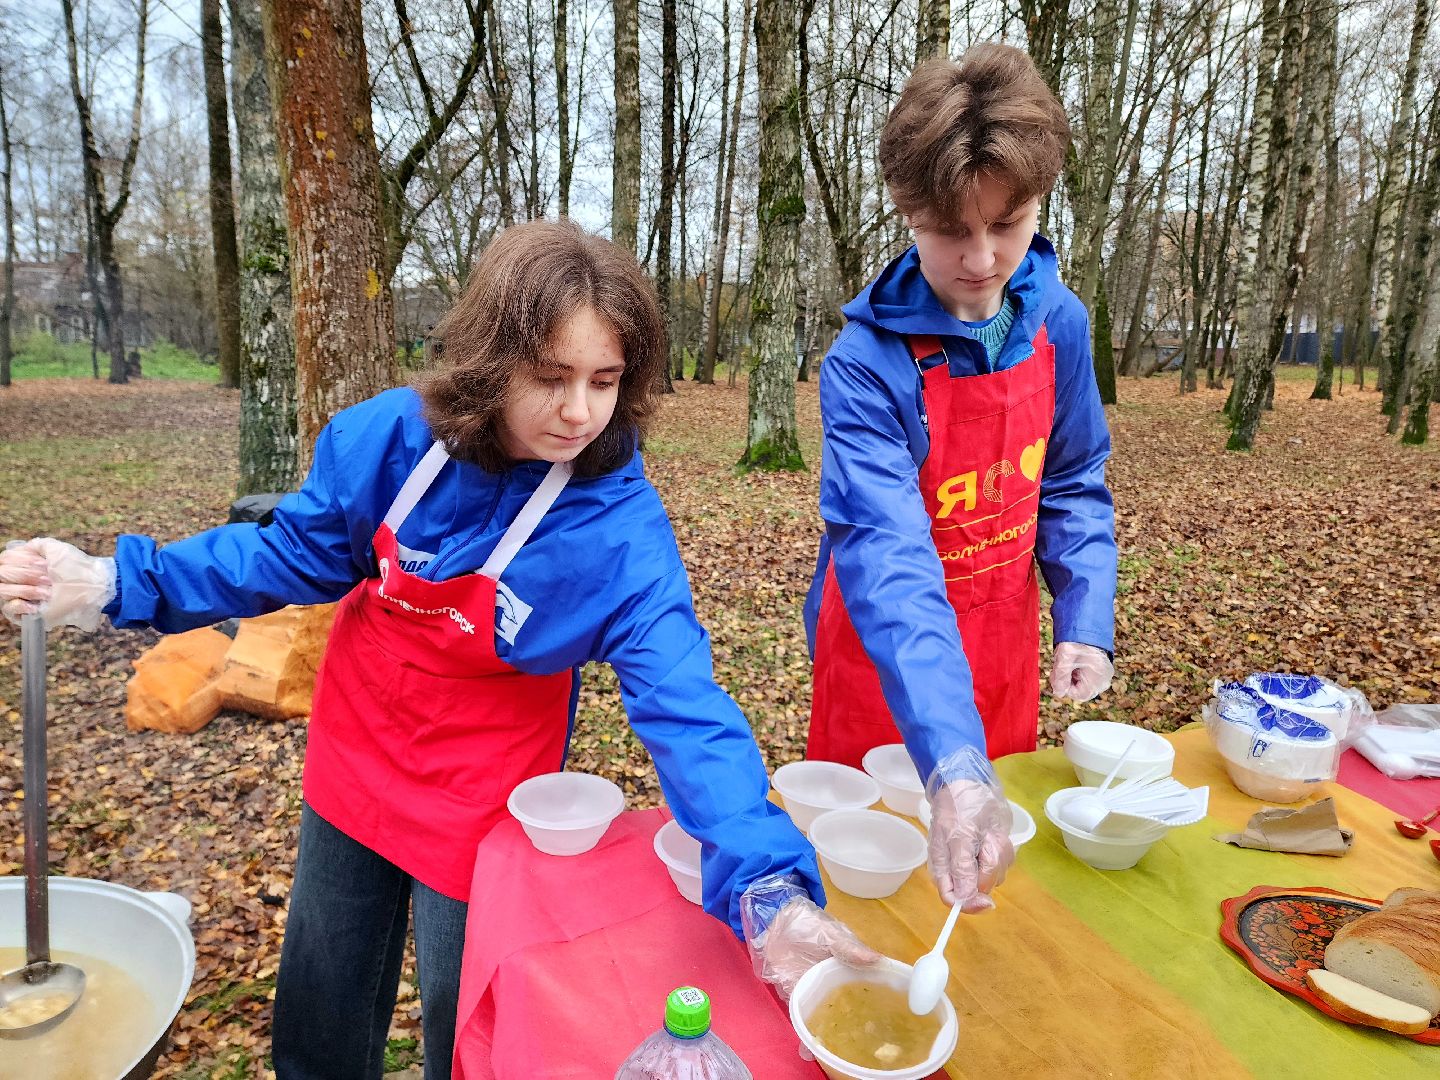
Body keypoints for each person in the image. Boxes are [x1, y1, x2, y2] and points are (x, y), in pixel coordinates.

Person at [0, 220, 876, 1080]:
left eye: (604, 381)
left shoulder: (618, 536)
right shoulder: (391, 443)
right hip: (356, 751)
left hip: (485, 793)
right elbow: (282, 554)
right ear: (492, 361)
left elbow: (686, 707)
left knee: (464, 1021)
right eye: (551, 377)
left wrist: (768, 887)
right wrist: (117, 582)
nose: (579, 411)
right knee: (324, 998)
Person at [804, 46, 1118, 914]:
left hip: (1001, 645)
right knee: (876, 886)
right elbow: (888, 555)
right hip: (886, 654)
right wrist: (948, 760)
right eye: (950, 229)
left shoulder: (1059, 322)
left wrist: (1085, 614)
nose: (981, 259)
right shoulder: (865, 365)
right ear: (908, 211)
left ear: (1040, 202)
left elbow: (1071, 479)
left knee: (983, 887)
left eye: (1006, 224)